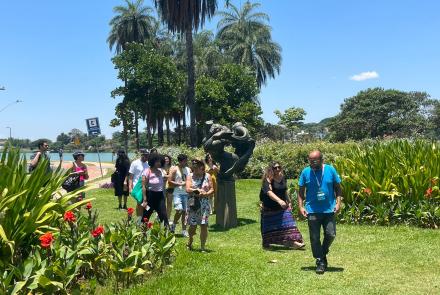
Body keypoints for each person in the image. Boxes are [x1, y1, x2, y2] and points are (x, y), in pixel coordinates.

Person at [298, 150, 342, 274]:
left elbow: (338, 188)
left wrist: (338, 203)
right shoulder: (305, 172)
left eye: (315, 161)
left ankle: (322, 252)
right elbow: (301, 192)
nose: (312, 163)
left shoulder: (330, 170)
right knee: (314, 237)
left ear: (321, 159)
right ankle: (321, 261)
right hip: (312, 210)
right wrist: (301, 207)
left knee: (331, 234)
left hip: (329, 209)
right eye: (310, 161)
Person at [260, 162, 305, 250]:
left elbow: (285, 190)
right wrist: (279, 200)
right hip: (269, 207)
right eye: (275, 168)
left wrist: (289, 201)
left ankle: (294, 242)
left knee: (289, 223)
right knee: (269, 227)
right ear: (271, 169)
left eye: (279, 167)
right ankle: (267, 244)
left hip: (282, 207)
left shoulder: (283, 177)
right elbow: (269, 192)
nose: (277, 169)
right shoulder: (267, 179)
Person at [186, 159, 214, 251]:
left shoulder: (208, 176)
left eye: (196, 167)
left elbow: (212, 189)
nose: (195, 169)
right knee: (192, 225)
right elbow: (187, 189)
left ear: (202, 166)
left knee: (203, 225)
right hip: (192, 202)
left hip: (204, 203)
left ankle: (202, 247)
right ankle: (190, 239)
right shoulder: (190, 176)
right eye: (193, 167)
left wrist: (205, 194)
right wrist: (197, 191)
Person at [142, 153, 169, 227]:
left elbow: (165, 176)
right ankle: (142, 234)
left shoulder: (160, 171)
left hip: (160, 196)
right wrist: (144, 200)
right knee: (146, 216)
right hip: (150, 196)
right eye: (157, 161)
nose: (159, 163)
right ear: (152, 161)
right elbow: (143, 186)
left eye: (160, 161)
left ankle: (167, 234)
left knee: (164, 216)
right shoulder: (147, 171)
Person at [168, 154, 191, 237]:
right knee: (179, 210)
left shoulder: (188, 169)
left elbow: (190, 179)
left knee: (185, 212)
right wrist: (179, 184)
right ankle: (173, 224)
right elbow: (169, 181)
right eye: (185, 161)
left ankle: (184, 230)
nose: (186, 162)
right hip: (177, 193)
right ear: (180, 161)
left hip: (186, 193)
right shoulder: (174, 169)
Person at [129, 149, 150, 223]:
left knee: (142, 203)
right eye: (146, 155)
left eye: (148, 155)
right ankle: (139, 220)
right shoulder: (135, 163)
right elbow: (131, 176)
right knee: (140, 202)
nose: (147, 157)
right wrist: (130, 188)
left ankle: (142, 218)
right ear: (142, 155)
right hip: (136, 186)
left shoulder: (148, 164)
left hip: (144, 186)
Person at [163, 155, 174, 219]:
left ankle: (168, 217)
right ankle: (161, 216)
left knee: (169, 202)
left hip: (170, 187)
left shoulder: (172, 167)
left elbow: (173, 176)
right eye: (165, 159)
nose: (166, 160)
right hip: (163, 187)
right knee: (162, 203)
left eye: (167, 159)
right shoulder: (160, 167)